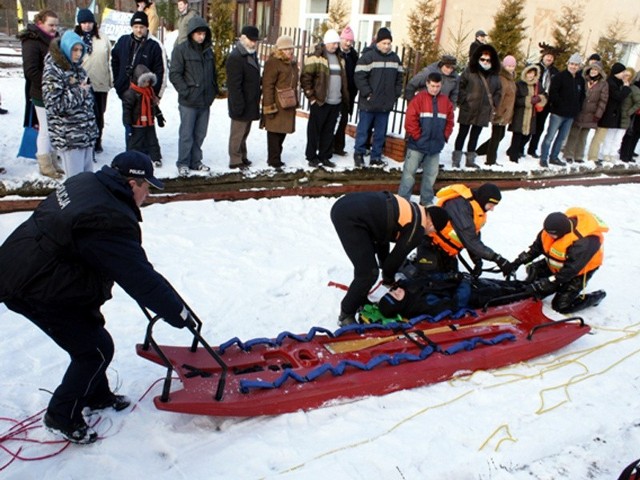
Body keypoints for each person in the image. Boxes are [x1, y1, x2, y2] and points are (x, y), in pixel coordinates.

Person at [0, 151, 194, 444]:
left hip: (37, 268)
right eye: (147, 188)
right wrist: (177, 311)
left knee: (91, 329)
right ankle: (62, 416)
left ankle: (96, 394)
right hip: (33, 285)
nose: (148, 195)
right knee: (94, 350)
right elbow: (138, 275)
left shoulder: (87, 182)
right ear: (131, 184)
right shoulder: (109, 217)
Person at [330, 191, 450, 326]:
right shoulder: (417, 228)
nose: (429, 234)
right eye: (433, 232)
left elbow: (383, 235)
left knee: (368, 268)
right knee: (368, 273)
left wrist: (384, 263)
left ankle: (359, 298)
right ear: (432, 225)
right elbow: (395, 259)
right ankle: (346, 314)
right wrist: (389, 279)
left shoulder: (414, 210)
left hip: (349, 204)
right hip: (351, 217)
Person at [506, 208, 608, 313]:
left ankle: (596, 297)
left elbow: (571, 270)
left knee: (561, 306)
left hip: (577, 272)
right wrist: (516, 262)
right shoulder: (549, 231)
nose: (549, 236)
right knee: (531, 284)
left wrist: (549, 282)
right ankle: (555, 284)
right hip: (556, 264)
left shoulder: (584, 242)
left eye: (552, 235)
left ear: (562, 232)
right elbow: (535, 249)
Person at [42, 30, 98, 178]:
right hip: (69, 137)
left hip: (85, 135)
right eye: (74, 49)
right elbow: (54, 105)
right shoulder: (53, 70)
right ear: (66, 48)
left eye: (81, 50)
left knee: (87, 181)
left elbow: (87, 101)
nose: (78, 54)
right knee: (74, 183)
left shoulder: (78, 69)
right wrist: (80, 92)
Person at [170, 16, 218, 177]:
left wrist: (213, 90)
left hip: (205, 100)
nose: (201, 37)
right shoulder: (181, 50)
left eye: (203, 34)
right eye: (198, 34)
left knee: (200, 133)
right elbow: (175, 74)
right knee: (186, 134)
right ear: (191, 33)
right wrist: (186, 91)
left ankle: (196, 161)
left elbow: (213, 74)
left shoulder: (208, 51)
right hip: (188, 101)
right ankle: (183, 162)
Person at [18, 9, 63, 179]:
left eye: (56, 25)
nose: (54, 28)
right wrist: (50, 84)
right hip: (41, 92)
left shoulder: (53, 40)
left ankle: (52, 159)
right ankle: (45, 164)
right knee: (45, 129)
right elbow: (30, 71)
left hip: (55, 92)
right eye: (51, 25)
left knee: (53, 129)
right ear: (40, 23)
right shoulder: (32, 41)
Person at [398, 72, 454, 206]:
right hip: (417, 145)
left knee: (431, 175)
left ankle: (427, 200)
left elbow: (450, 121)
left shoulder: (445, 101)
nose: (435, 89)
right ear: (427, 84)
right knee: (408, 174)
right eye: (433, 86)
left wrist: (443, 137)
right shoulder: (418, 99)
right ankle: (403, 200)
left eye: (438, 86)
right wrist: (418, 137)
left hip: (435, 146)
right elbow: (410, 121)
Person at [434, 183, 512, 277]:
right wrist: (497, 259)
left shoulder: (475, 209)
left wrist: (477, 262)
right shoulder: (461, 206)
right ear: (483, 200)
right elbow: (470, 241)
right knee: (438, 286)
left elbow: (473, 237)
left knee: (456, 284)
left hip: (448, 254)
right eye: (491, 205)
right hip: (433, 249)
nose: (492, 209)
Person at [353, 27, 404, 167]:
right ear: (378, 43)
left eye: (389, 43)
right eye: (384, 43)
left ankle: (376, 156)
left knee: (380, 133)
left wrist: (395, 94)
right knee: (363, 131)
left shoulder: (395, 59)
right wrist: (367, 93)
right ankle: (359, 154)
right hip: (368, 104)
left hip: (385, 105)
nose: (387, 46)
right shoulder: (368, 57)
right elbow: (359, 76)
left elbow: (399, 79)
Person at [300, 29, 349, 168]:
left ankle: (325, 156)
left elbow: (343, 79)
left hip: (336, 101)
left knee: (329, 130)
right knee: (315, 130)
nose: (335, 46)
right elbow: (305, 78)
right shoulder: (316, 56)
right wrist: (312, 97)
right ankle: (311, 156)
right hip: (321, 101)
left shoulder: (340, 58)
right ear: (326, 43)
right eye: (333, 43)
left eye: (337, 44)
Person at [452, 44, 502, 169]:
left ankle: (470, 160)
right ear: (478, 59)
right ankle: (456, 159)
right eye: (483, 59)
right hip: (468, 108)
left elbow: (498, 91)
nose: (485, 62)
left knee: (475, 136)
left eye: (488, 60)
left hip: (483, 111)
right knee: (462, 134)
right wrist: (464, 100)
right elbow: (460, 86)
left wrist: (493, 104)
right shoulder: (470, 71)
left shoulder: (495, 75)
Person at [75, 9, 112, 154]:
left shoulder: (103, 38)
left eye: (89, 22)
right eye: (83, 23)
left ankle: (97, 140)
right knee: (82, 113)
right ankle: (84, 140)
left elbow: (109, 56)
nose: (87, 26)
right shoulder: (74, 38)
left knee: (99, 114)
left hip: (100, 81)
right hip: (81, 83)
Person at [539, 53, 585, 167]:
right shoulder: (560, 77)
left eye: (576, 65)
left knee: (561, 138)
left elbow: (582, 96)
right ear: (568, 64)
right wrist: (560, 105)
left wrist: (577, 108)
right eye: (572, 64)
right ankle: (544, 158)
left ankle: (554, 157)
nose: (573, 67)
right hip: (558, 113)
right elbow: (553, 94)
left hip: (570, 115)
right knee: (550, 136)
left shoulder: (580, 80)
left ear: (579, 66)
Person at [261, 35, 299, 169]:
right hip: (277, 103)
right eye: (286, 49)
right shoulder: (273, 62)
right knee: (274, 132)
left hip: (288, 103)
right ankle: (273, 159)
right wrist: (269, 106)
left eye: (291, 48)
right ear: (280, 50)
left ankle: (277, 157)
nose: (290, 51)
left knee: (282, 132)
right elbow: (267, 85)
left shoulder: (292, 63)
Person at [226, 26, 261, 170]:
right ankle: (235, 158)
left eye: (255, 41)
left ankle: (242, 155)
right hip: (241, 101)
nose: (254, 43)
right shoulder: (236, 57)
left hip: (251, 100)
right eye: (251, 40)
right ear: (243, 38)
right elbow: (234, 85)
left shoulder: (251, 54)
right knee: (237, 132)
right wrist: (238, 104)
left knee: (244, 132)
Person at [111, 12, 165, 101]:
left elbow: (160, 71)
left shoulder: (154, 46)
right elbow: (114, 61)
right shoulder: (123, 41)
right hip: (125, 92)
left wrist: (156, 94)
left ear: (147, 27)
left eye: (141, 27)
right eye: (136, 27)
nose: (138, 30)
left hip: (145, 94)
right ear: (132, 27)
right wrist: (117, 82)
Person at [562, 62, 608, 163]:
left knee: (583, 136)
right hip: (579, 111)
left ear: (599, 72)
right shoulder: (583, 80)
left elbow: (603, 101)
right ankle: (568, 154)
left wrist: (598, 114)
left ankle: (579, 156)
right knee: (573, 134)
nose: (593, 71)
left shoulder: (603, 84)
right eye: (591, 69)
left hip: (591, 114)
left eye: (595, 70)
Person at [476, 55, 517, 166]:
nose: (511, 68)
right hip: (500, 112)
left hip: (507, 112)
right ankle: (490, 160)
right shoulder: (502, 78)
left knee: (500, 135)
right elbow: (500, 96)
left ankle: (480, 151)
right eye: (508, 65)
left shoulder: (511, 78)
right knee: (496, 136)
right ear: (504, 65)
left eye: (513, 66)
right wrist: (497, 112)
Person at [123, 64, 165, 167]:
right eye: (144, 81)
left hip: (149, 121)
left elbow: (153, 105)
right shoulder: (131, 93)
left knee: (153, 141)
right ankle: (132, 159)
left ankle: (156, 158)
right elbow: (127, 111)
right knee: (135, 143)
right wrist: (128, 124)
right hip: (137, 123)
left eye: (149, 81)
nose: (147, 83)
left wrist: (159, 115)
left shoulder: (149, 92)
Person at [525, 43, 560, 159]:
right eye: (547, 56)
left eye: (551, 57)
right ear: (543, 56)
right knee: (529, 125)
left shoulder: (555, 72)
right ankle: (520, 147)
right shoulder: (535, 68)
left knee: (539, 127)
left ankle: (532, 149)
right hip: (533, 101)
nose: (549, 58)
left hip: (546, 104)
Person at [591, 63, 631, 163]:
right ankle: (594, 156)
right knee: (600, 136)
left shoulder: (618, 82)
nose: (624, 74)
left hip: (612, 113)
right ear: (616, 72)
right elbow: (618, 96)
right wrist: (626, 87)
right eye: (622, 72)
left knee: (604, 136)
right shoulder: (610, 83)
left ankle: (597, 155)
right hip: (606, 113)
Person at [506, 64, 547, 163]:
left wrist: (540, 99)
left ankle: (517, 150)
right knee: (517, 135)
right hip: (520, 114)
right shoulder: (519, 84)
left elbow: (544, 95)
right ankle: (513, 156)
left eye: (532, 73)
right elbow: (515, 100)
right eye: (529, 73)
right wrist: (529, 100)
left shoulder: (537, 85)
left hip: (532, 115)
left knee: (527, 135)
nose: (530, 75)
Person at [333, 26, 359, 157]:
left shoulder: (354, 55)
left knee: (343, 120)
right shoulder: (335, 53)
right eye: (346, 40)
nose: (348, 43)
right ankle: (328, 146)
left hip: (349, 93)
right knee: (333, 121)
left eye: (350, 41)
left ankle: (338, 147)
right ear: (341, 39)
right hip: (336, 92)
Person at [620, 70, 640, 163]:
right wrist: (631, 111)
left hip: (635, 112)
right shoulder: (636, 85)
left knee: (636, 135)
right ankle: (625, 154)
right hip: (635, 113)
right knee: (631, 133)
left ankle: (629, 153)